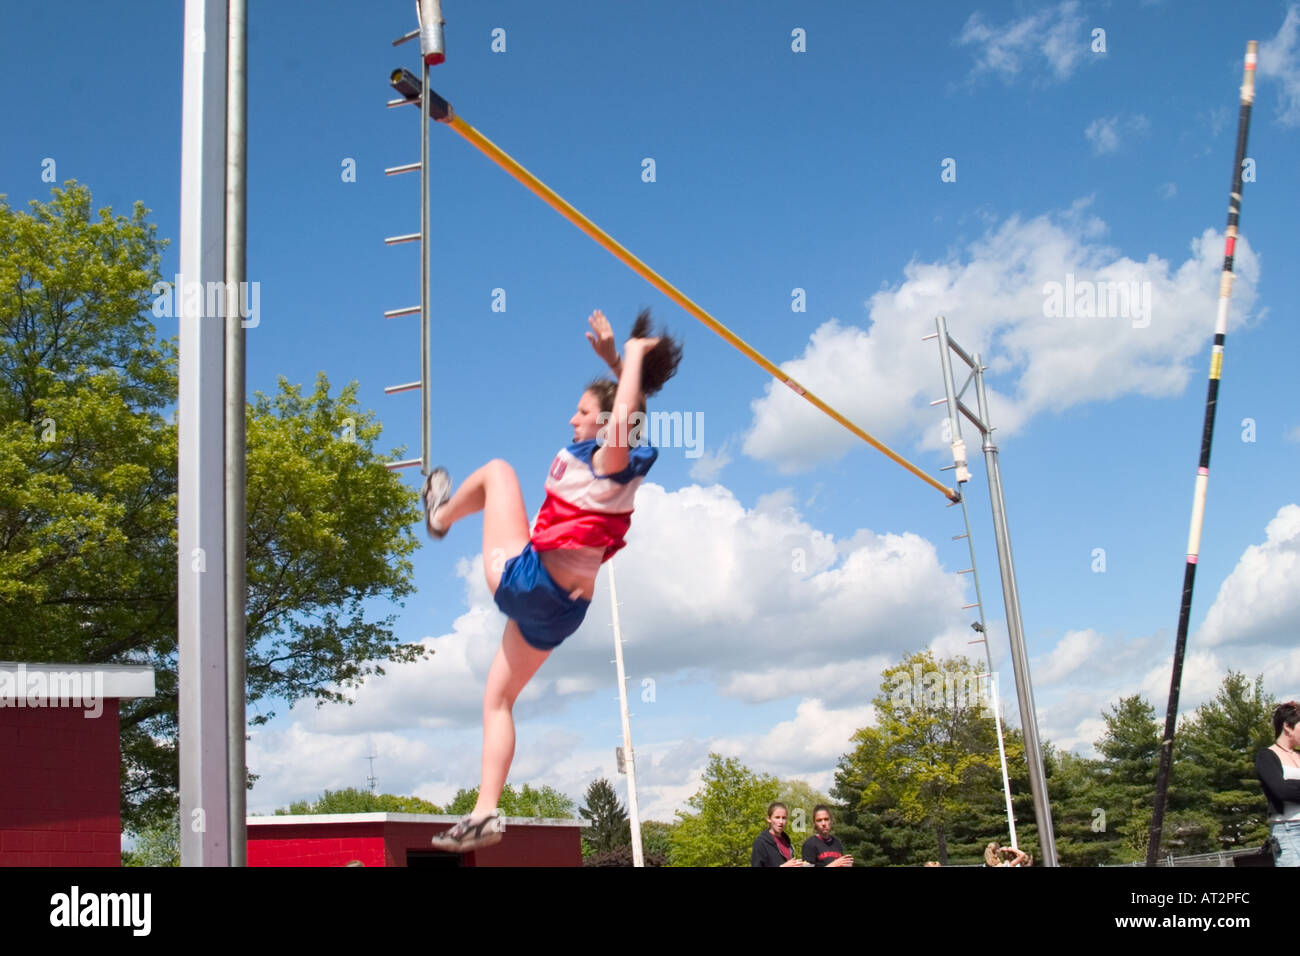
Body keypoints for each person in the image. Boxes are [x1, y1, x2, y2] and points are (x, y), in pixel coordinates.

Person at [425, 309, 682, 852]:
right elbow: (628, 410)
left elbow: (623, 415)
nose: (572, 419)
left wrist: (632, 355)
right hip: (562, 610)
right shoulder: (622, 458)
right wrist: (616, 360)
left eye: (581, 411)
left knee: (498, 471)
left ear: (603, 420)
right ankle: (484, 812)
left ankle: (440, 517)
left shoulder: (611, 462)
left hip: (529, 581)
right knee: (497, 701)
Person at [1256, 700, 1300, 867]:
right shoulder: (1266, 756)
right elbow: (1281, 791)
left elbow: (1288, 789)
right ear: (1288, 726)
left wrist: (1291, 785)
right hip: (1288, 829)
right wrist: (1288, 787)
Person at [751, 802, 808, 867]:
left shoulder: (786, 840)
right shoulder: (760, 842)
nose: (781, 822)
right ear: (769, 819)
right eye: (777, 817)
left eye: (784, 818)